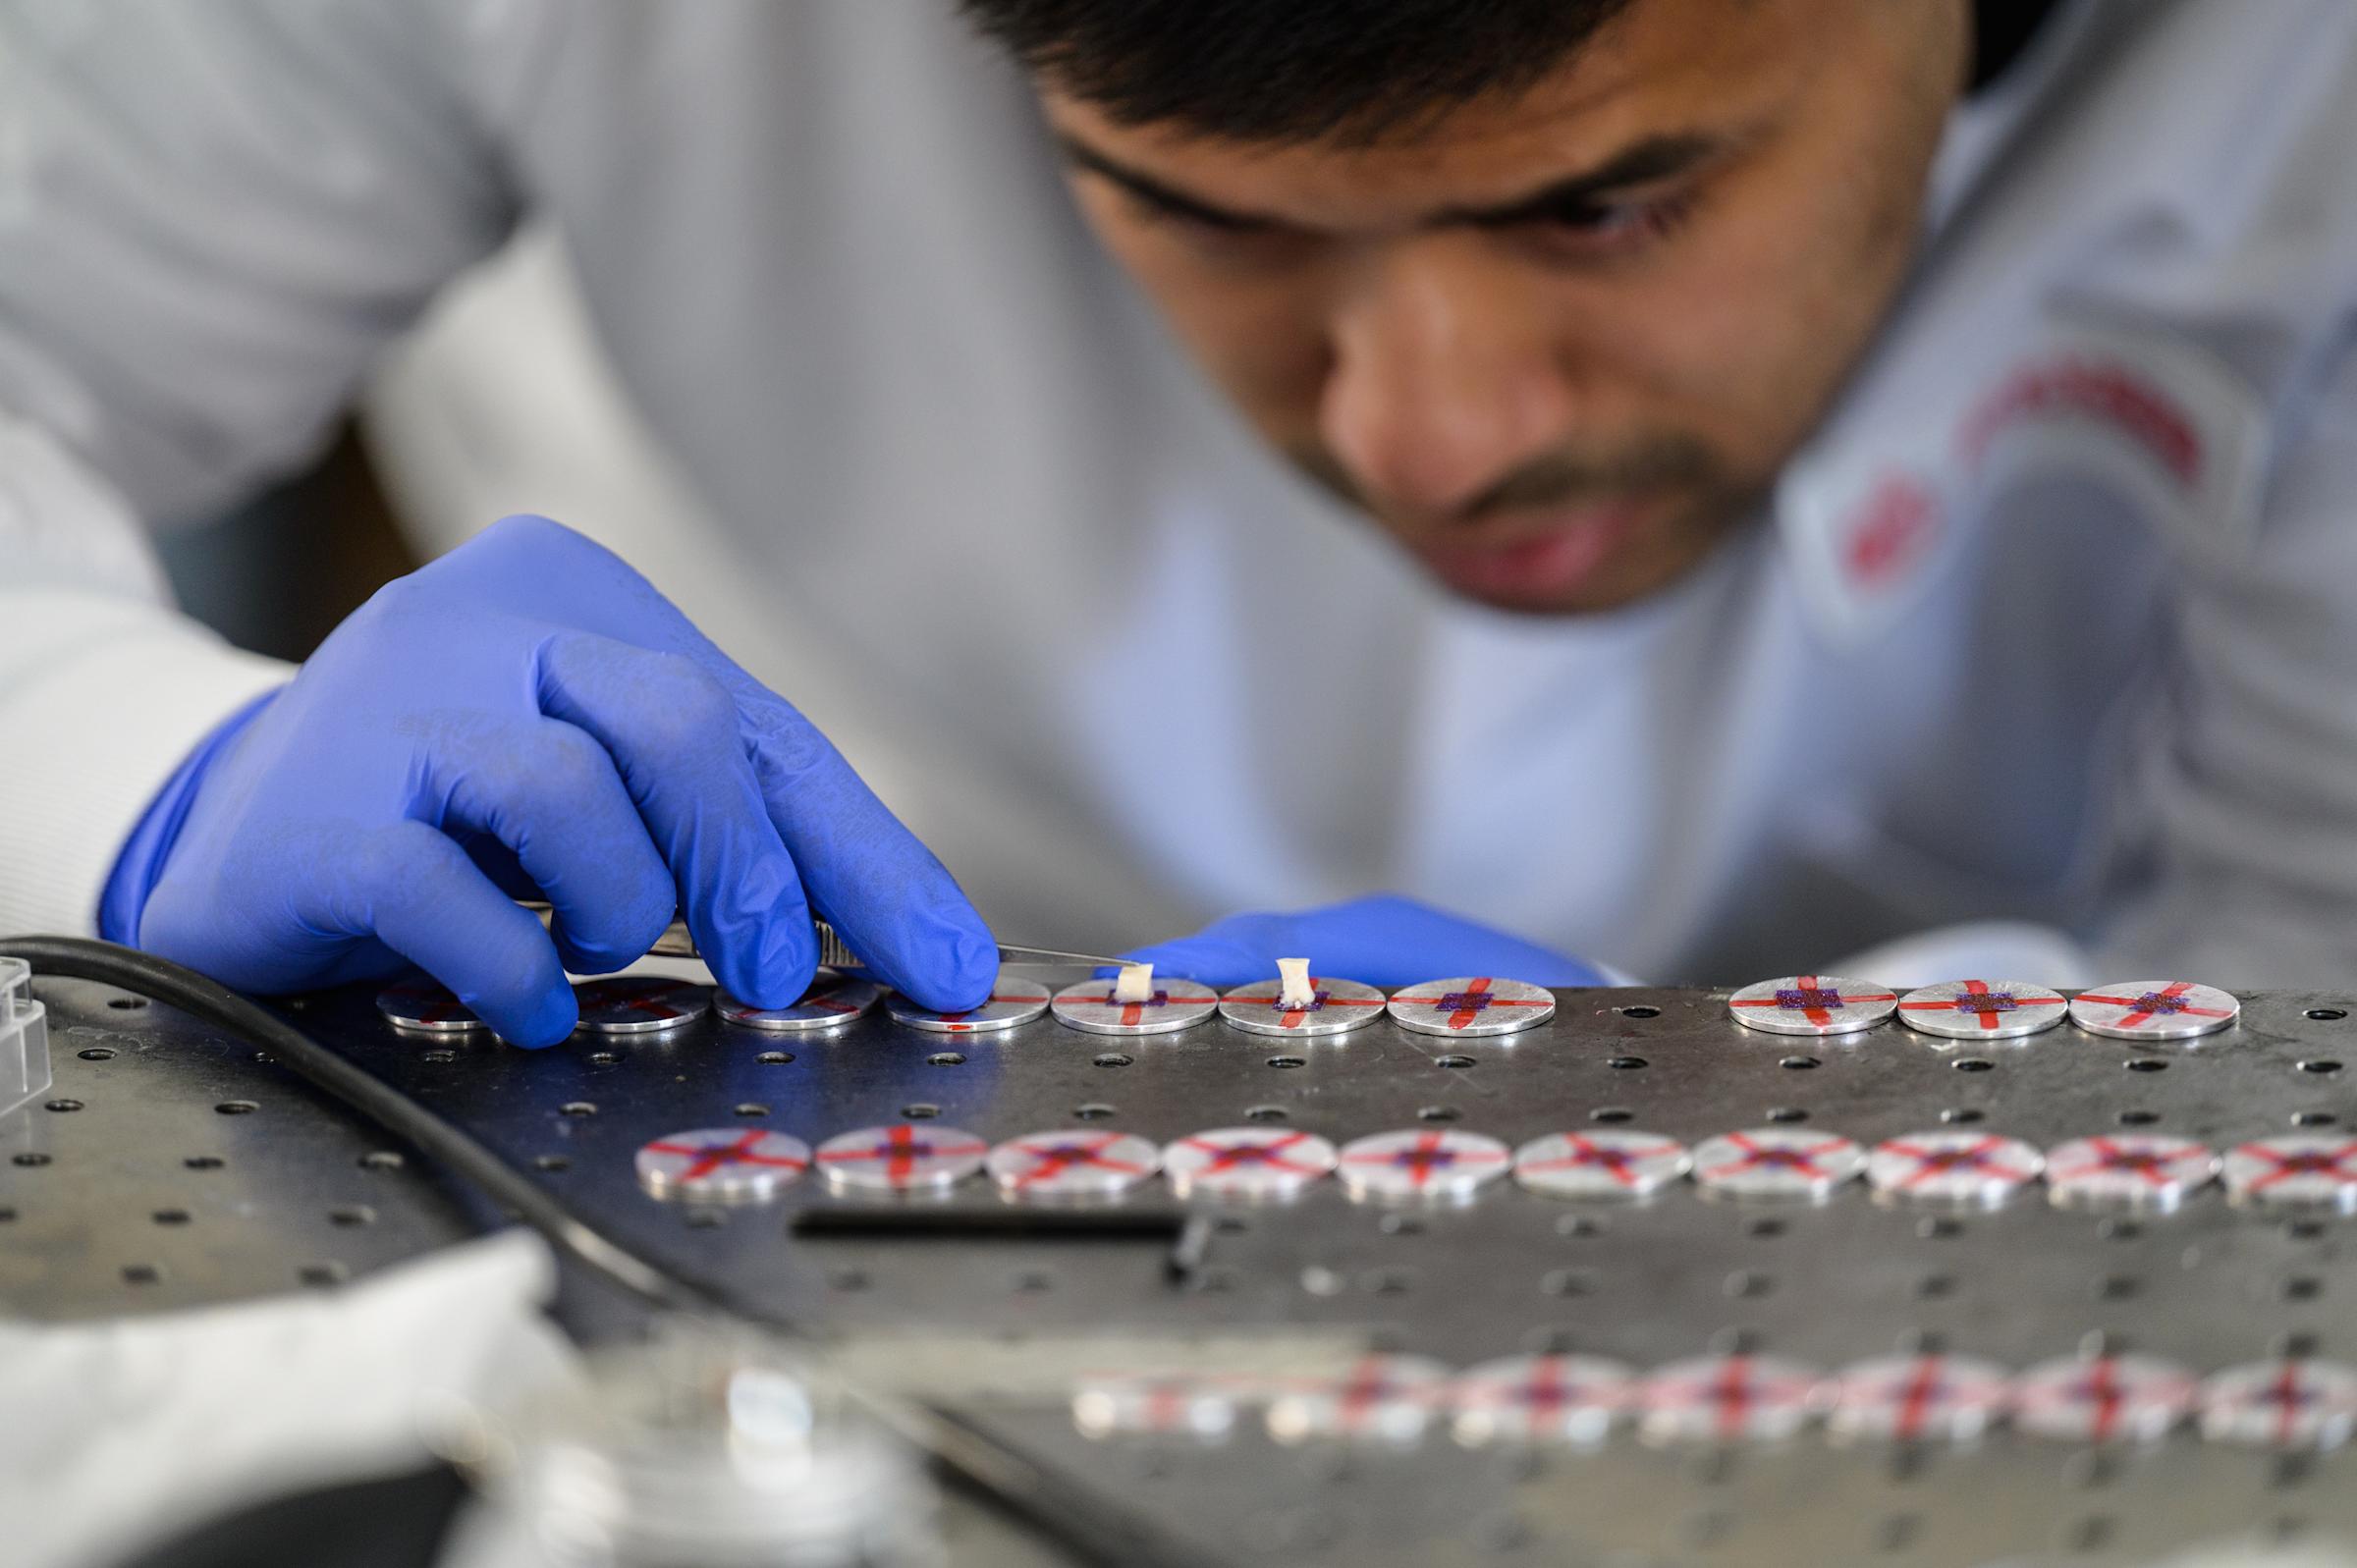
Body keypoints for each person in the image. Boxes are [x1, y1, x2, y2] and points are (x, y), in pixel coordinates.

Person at [4, 0, 2354, 1047]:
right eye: (1198, 218)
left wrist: (1837, 1135)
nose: (1437, 438)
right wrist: (131, 762)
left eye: (1621, 201)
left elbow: (2308, 1032)